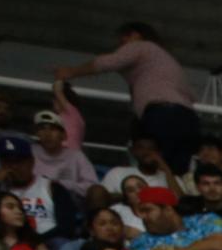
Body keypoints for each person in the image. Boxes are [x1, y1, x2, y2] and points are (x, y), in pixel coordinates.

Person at [55, 21, 203, 171]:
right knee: (175, 171)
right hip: (188, 119)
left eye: (123, 40)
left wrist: (71, 72)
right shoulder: (165, 60)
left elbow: (108, 62)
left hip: (164, 114)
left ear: (135, 35)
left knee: (154, 165)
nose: (121, 45)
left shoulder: (142, 46)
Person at [32, 83, 102, 198]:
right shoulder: (31, 152)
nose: (47, 133)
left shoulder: (72, 114)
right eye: (42, 129)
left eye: (53, 129)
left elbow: (92, 186)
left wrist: (59, 84)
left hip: (69, 162)